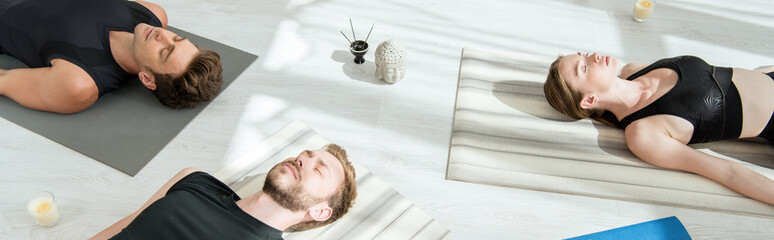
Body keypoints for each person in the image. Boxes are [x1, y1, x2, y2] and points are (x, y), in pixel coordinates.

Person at [543, 52, 774, 206]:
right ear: (590, 101)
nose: (593, 55)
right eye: (584, 68)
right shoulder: (643, 134)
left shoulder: (634, 70)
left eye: (584, 54)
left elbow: (732, 77)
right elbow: (727, 172)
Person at [89, 144, 358, 240]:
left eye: (319, 170)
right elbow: (119, 229)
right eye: (305, 155)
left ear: (321, 211)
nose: (303, 160)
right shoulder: (195, 180)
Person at [0, 0, 223, 114]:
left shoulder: (78, 83)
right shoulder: (153, 14)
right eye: (176, 38)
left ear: (147, 78)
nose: (162, 34)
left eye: (164, 51)